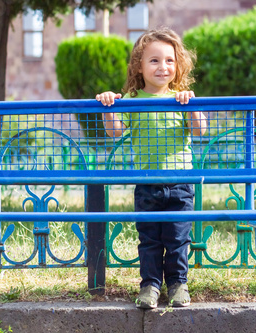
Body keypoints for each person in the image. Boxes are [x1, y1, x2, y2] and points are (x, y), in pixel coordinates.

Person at [96, 27, 207, 309]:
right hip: (146, 183)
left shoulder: (181, 98)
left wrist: (192, 106)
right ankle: (150, 286)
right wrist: (108, 106)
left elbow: (200, 129)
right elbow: (114, 132)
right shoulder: (131, 102)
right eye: (154, 60)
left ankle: (178, 284)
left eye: (169, 60)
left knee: (178, 238)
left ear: (178, 66)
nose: (163, 67)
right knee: (149, 240)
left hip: (181, 184)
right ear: (140, 66)